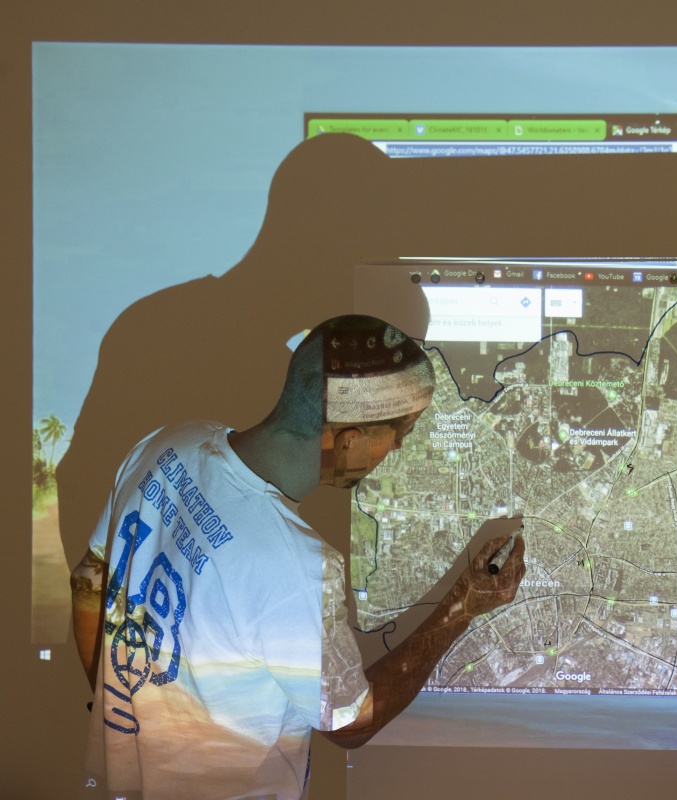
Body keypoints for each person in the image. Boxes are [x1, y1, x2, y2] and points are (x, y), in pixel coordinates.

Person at [69, 314, 525, 799]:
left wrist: (121, 705)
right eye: (398, 432)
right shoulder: (297, 567)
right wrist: (461, 607)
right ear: (349, 440)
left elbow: (89, 580)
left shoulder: (169, 443)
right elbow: (351, 722)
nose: (397, 446)